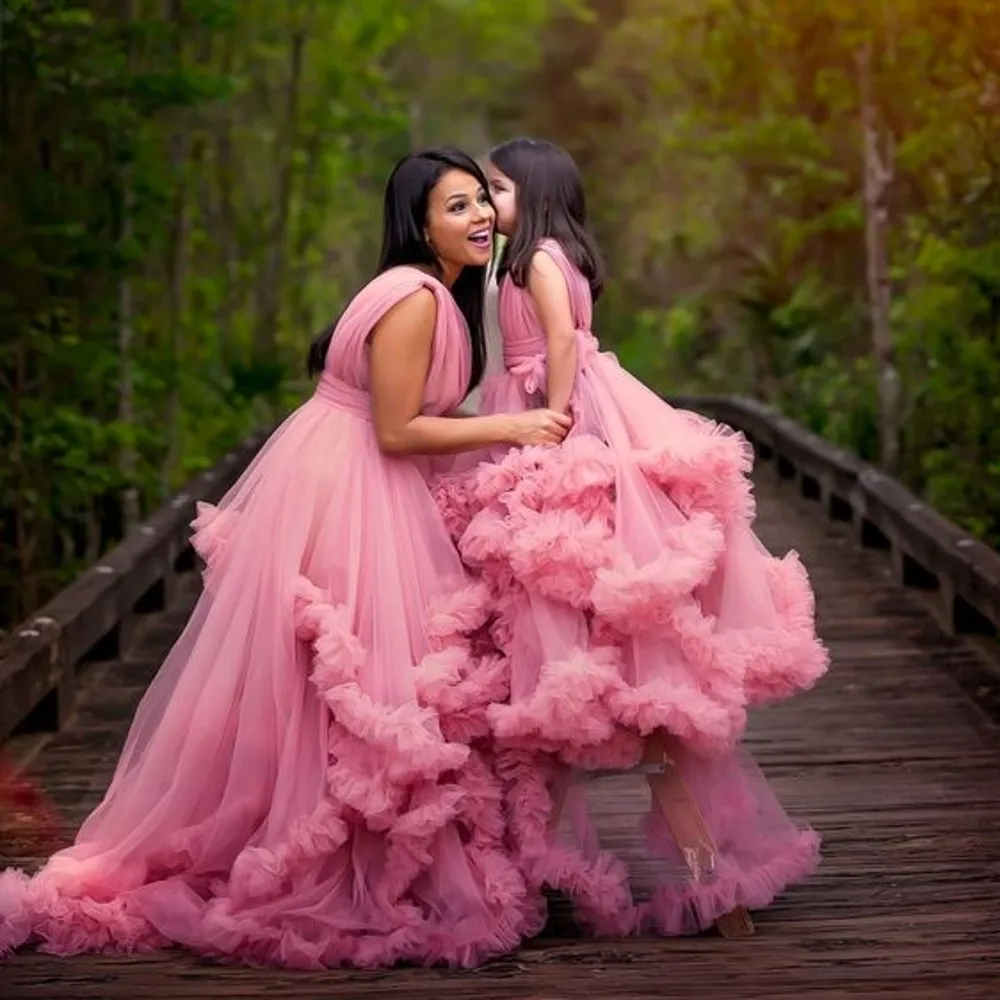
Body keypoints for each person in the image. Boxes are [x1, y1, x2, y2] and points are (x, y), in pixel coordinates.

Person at [0, 147, 571, 969]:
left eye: (483, 199)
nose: (480, 215)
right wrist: (512, 427)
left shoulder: (431, 292)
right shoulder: (414, 298)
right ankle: (332, 856)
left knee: (352, 684)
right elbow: (398, 430)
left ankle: (348, 839)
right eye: (456, 206)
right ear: (418, 223)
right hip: (352, 490)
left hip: (347, 479)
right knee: (368, 676)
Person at [434, 137, 829, 936]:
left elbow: (563, 347)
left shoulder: (535, 260)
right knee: (554, 604)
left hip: (558, 422)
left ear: (534, 193)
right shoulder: (555, 254)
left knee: (553, 587)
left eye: (499, 189)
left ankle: (686, 866)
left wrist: (547, 431)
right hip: (565, 413)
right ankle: (572, 851)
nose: (488, 204)